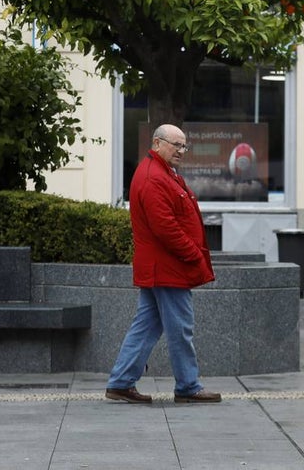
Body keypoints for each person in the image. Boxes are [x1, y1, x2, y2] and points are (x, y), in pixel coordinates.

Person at [106, 124, 220, 405]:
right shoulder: (154, 177)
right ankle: (188, 386)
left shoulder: (159, 173)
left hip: (162, 267)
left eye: (184, 146)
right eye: (176, 145)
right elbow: (165, 228)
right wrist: (193, 253)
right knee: (181, 327)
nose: (181, 151)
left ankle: (120, 383)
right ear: (157, 143)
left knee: (146, 325)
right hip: (168, 268)